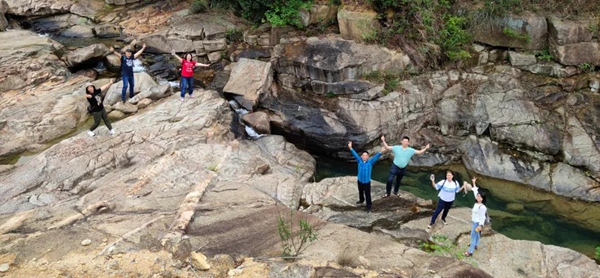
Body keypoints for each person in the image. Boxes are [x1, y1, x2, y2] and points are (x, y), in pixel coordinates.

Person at [348, 141, 385, 213]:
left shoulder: (370, 162)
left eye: (366, 155)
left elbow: (376, 157)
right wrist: (351, 148)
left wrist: (381, 152)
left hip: (367, 182)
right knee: (360, 192)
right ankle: (361, 200)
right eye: (363, 155)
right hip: (360, 181)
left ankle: (369, 206)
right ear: (361, 156)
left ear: (368, 157)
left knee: (367, 195)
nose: (364, 156)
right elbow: (355, 155)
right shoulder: (359, 161)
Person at [464, 177, 487, 257]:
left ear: (483, 198)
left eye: (480, 196)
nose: (478, 197)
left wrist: (480, 225)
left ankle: (470, 252)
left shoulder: (482, 207)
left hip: (477, 223)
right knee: (476, 235)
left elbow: (482, 217)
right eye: (478, 196)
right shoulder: (476, 203)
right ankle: (476, 245)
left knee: (473, 237)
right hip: (474, 221)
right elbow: (475, 191)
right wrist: (474, 182)